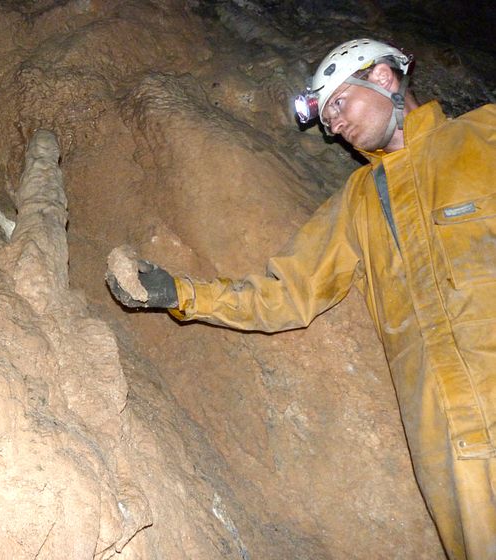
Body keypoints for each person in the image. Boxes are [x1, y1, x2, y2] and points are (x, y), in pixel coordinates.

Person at [107, 38, 496, 559]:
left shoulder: (484, 136)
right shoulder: (358, 203)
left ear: (382, 78)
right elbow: (285, 294)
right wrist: (182, 294)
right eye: (325, 117)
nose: (333, 126)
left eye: (338, 104)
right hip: (450, 449)